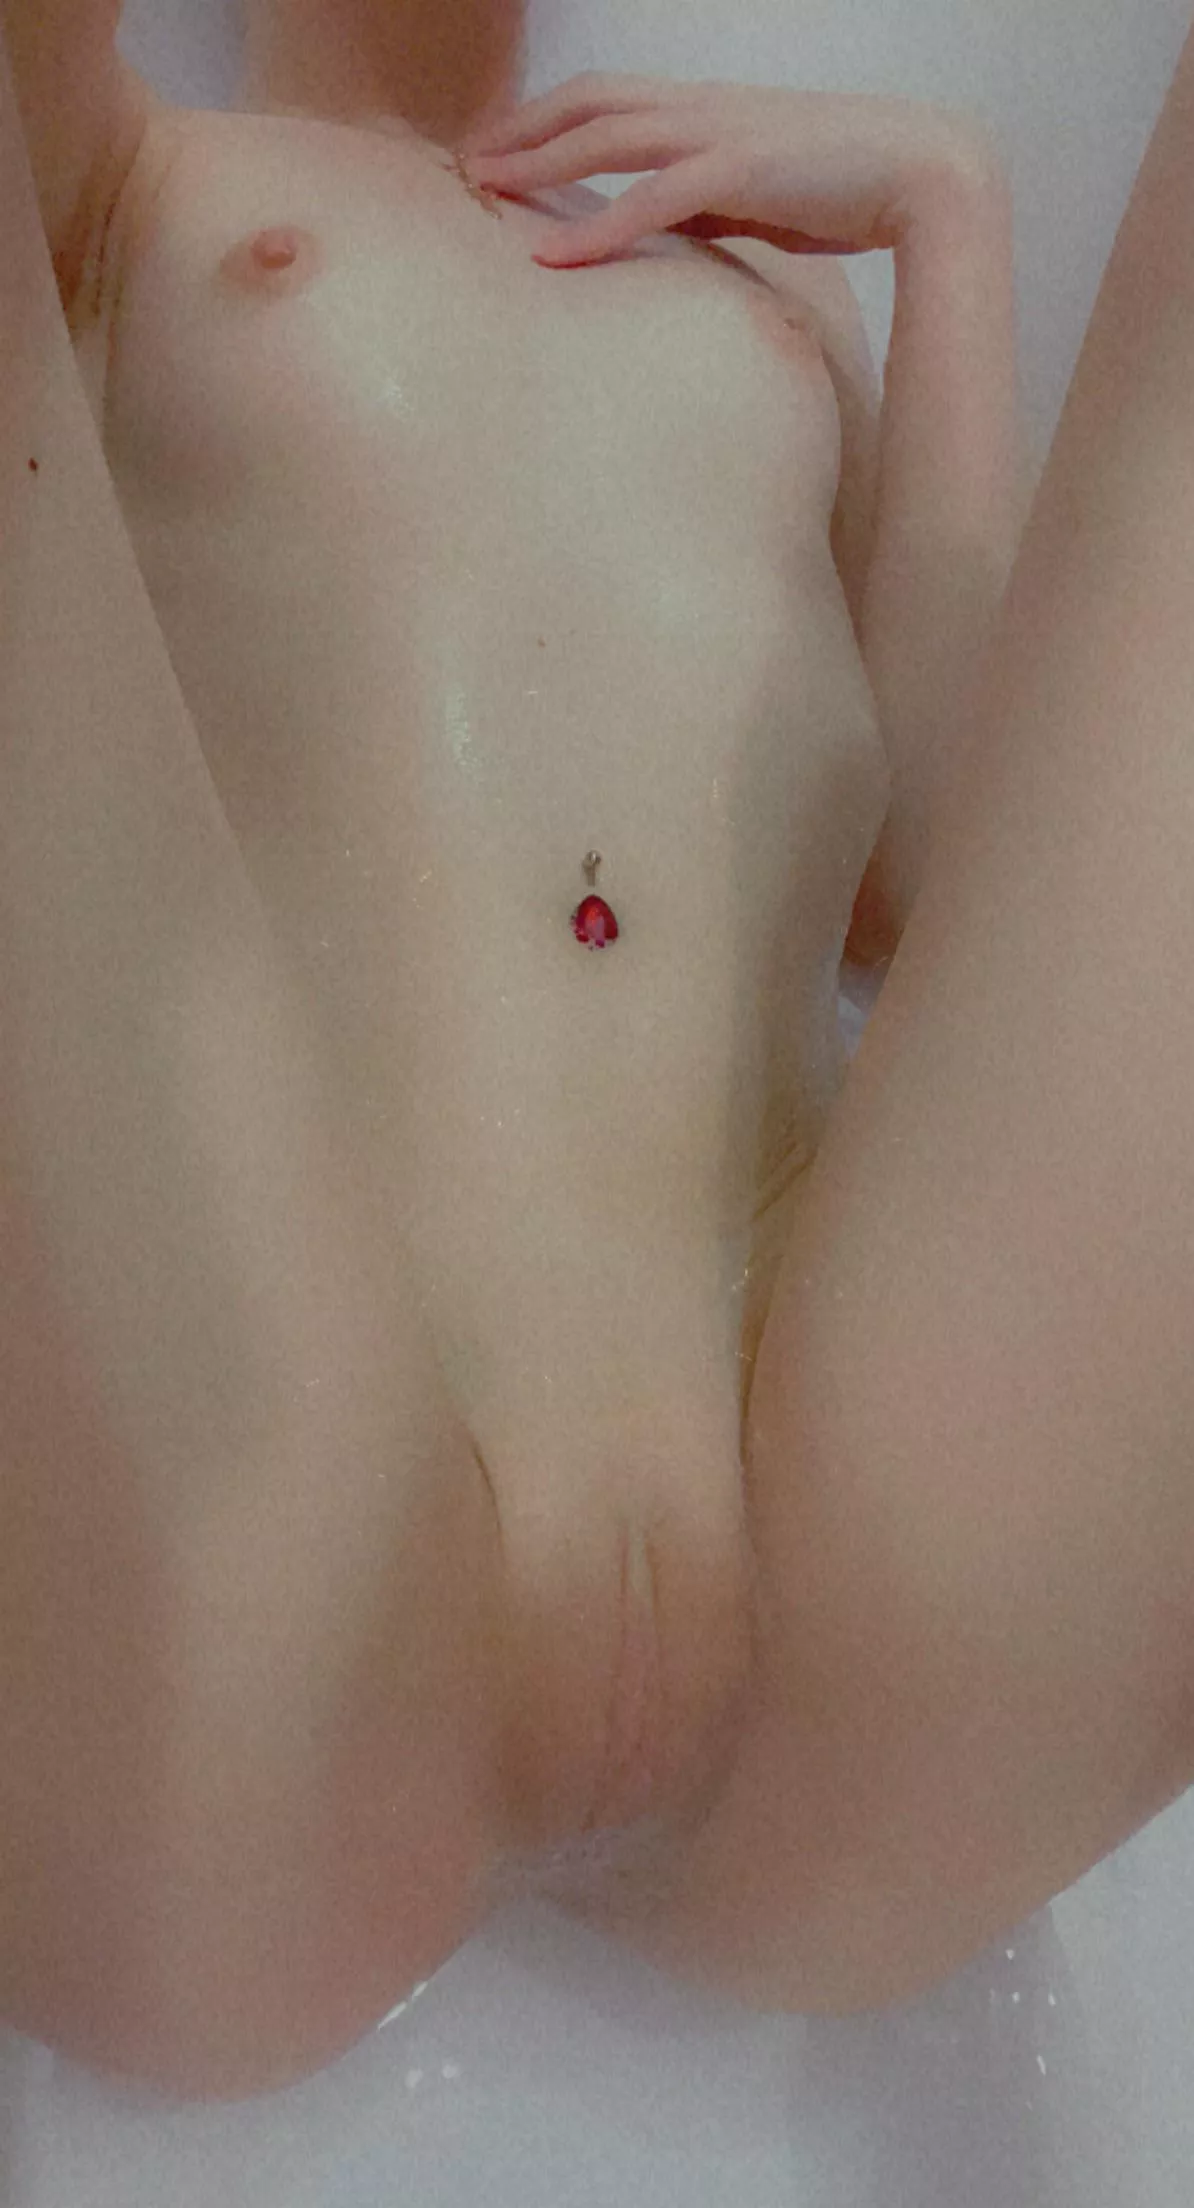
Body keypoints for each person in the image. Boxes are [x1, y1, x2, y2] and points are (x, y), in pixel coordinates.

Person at [0, 0, 1135, 2106]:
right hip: (288, 1626)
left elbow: (954, 883)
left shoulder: (781, 279)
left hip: (851, 1664)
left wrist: (944, 215)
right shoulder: (135, 177)